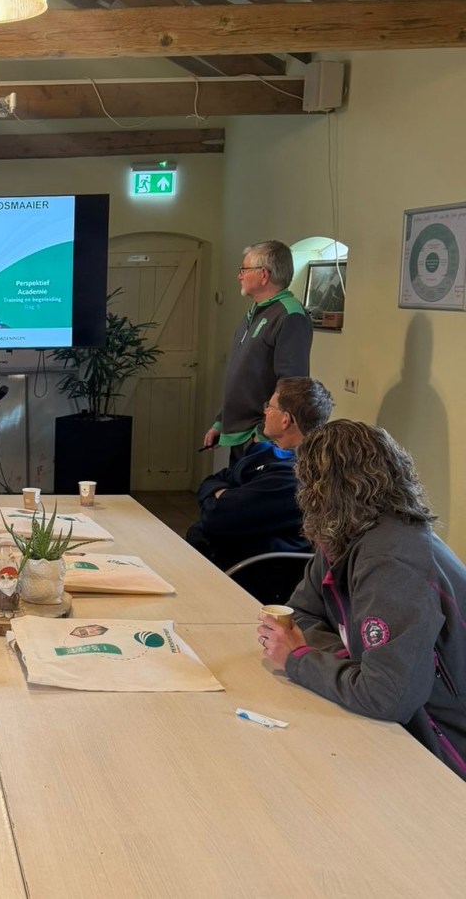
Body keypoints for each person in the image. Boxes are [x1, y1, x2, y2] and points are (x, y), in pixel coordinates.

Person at [258, 421, 466, 781]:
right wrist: (355, 665)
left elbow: (388, 697)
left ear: (319, 489)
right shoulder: (347, 532)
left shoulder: (392, 560)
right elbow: (303, 613)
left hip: (441, 756)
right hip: (403, 729)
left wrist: (300, 658)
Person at [186, 376, 333, 574]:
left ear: (285, 419)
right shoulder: (264, 452)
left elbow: (217, 517)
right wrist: (223, 494)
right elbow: (213, 480)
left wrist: (225, 494)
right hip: (217, 558)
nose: (264, 411)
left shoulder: (294, 475)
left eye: (270, 406)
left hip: (249, 573)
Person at [203, 241, 312, 461]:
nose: (239, 276)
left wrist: (262, 434)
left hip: (261, 439)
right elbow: (243, 376)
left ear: (264, 274)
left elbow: (292, 384)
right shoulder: (255, 312)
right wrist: (222, 422)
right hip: (241, 433)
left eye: (244, 269)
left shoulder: (290, 316)